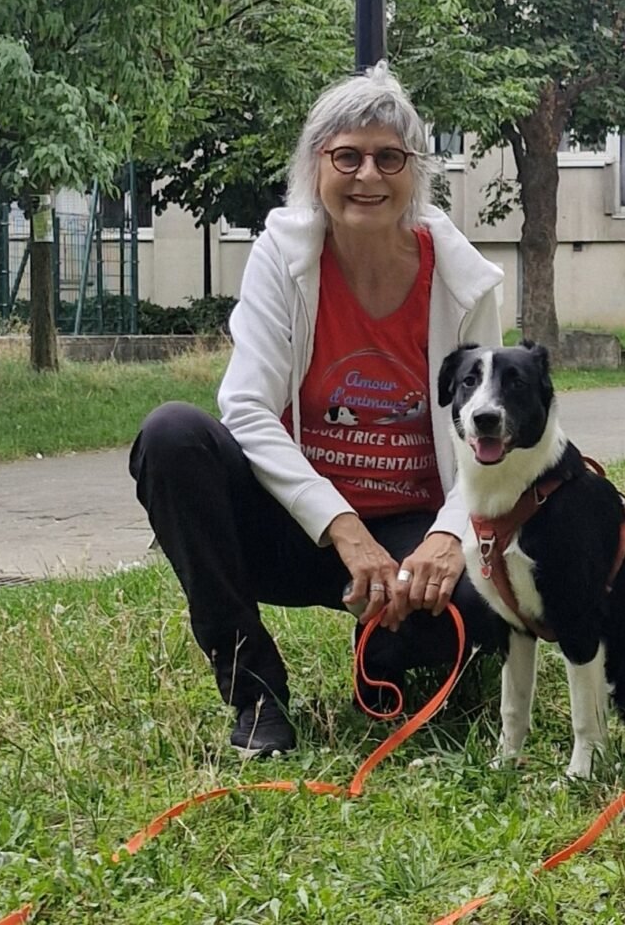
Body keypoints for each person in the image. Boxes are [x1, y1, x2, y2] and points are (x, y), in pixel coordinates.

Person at [129, 61, 506, 758]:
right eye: (347, 156)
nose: (368, 176)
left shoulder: (462, 282)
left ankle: (388, 652)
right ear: (315, 166)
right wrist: (341, 525)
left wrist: (450, 538)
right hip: (302, 529)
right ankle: (255, 693)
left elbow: (491, 439)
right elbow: (244, 406)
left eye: (389, 157)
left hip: (411, 529)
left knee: (486, 610)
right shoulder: (284, 254)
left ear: (415, 172)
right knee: (172, 435)